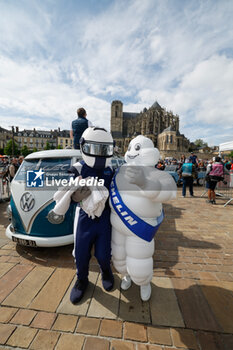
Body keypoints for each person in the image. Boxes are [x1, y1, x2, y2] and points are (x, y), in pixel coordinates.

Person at [110, 135, 176, 301]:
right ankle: (126, 276)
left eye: (137, 148)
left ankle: (143, 282)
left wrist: (145, 183)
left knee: (140, 260)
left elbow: (169, 192)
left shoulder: (155, 173)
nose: (132, 152)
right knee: (119, 256)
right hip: (117, 225)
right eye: (131, 148)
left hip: (139, 228)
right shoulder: (120, 171)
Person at [68, 127, 115, 304]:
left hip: (104, 218)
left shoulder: (111, 169)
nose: (100, 153)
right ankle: (81, 279)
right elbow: (70, 197)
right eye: (95, 148)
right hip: (85, 217)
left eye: (103, 149)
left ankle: (106, 271)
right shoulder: (78, 168)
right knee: (80, 253)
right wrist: (78, 190)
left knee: (103, 254)